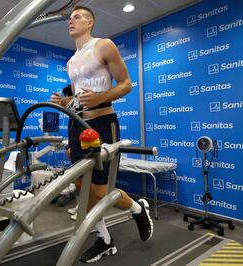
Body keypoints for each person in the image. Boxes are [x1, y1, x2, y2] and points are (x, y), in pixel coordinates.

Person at [51, 6, 153, 263]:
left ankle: (137, 208)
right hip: (77, 125)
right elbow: (79, 99)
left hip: (102, 123)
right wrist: (66, 102)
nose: (70, 21)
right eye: (70, 18)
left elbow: (126, 84)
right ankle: (104, 239)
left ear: (90, 22)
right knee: (79, 184)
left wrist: (100, 97)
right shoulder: (71, 62)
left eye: (77, 17)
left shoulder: (104, 46)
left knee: (98, 190)